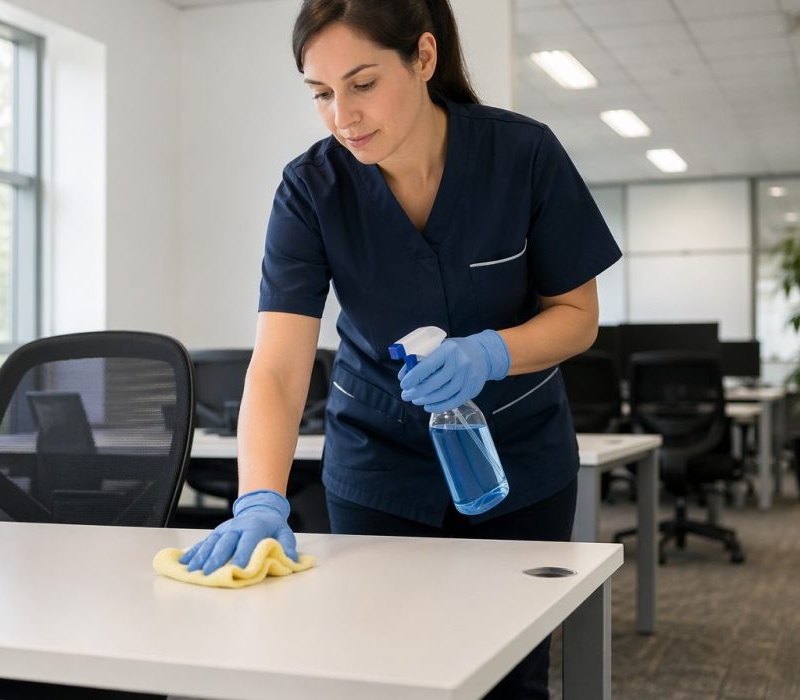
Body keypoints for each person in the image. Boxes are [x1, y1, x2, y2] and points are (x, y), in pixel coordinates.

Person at [180, 0, 621, 696]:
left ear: (423, 57)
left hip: (518, 457)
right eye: (321, 93)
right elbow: (280, 366)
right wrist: (259, 496)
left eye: (362, 83)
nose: (341, 116)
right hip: (377, 459)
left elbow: (578, 317)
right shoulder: (311, 189)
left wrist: (490, 355)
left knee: (510, 675)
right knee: (382, 671)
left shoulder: (522, 155)